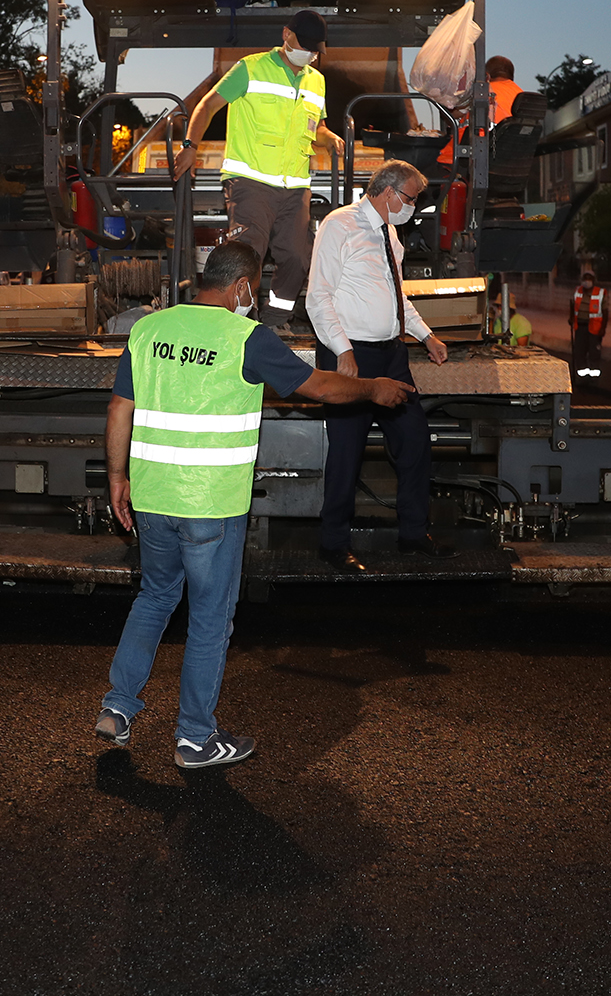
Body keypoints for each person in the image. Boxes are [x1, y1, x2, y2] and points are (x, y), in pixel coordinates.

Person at [96, 241, 414, 767]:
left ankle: (117, 706)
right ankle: (195, 739)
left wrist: (115, 476)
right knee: (210, 620)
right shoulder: (247, 337)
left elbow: (118, 405)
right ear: (241, 286)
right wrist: (373, 387)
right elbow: (319, 387)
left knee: (154, 600)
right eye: (256, 287)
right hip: (211, 506)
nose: (256, 297)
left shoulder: (148, 329)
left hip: (151, 497)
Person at [306, 160, 452, 573]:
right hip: (353, 356)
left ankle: (412, 535)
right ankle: (333, 544)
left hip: (392, 354)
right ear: (387, 192)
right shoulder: (340, 225)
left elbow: (397, 295)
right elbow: (318, 297)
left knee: (415, 442)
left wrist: (426, 335)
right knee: (347, 454)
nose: (413, 207)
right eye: (410, 198)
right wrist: (343, 351)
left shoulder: (389, 232)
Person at [175, 10, 345, 325]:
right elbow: (208, 105)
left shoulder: (316, 81)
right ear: (286, 35)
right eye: (304, 45)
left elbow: (316, 128)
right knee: (245, 257)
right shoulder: (250, 69)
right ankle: (237, 324)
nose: (308, 53)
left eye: (314, 49)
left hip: (295, 188)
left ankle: (273, 322)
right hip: (250, 183)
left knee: (297, 257)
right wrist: (190, 147)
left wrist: (329, 136)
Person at [435, 55, 522, 167]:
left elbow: (451, 114)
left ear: (487, 75)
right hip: (508, 163)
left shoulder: (482, 91)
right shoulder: (522, 96)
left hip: (464, 159)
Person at [570, 268, 604, 372]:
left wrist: (603, 328)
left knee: (594, 351)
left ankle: (594, 374)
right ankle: (582, 373)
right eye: (585, 278)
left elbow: (605, 312)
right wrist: (571, 318)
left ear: (594, 280)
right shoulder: (577, 291)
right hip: (580, 326)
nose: (587, 281)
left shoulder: (600, 293)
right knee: (580, 350)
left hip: (594, 327)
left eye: (589, 278)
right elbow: (573, 306)